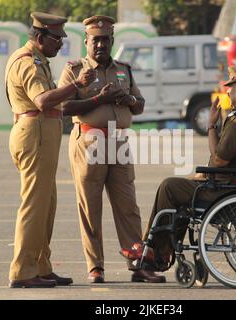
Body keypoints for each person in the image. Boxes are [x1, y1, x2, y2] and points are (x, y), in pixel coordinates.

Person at [121, 66, 236, 272]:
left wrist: (212, 126)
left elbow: (220, 159)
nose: (228, 92)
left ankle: (155, 250)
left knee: (169, 187)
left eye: (232, 87)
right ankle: (163, 249)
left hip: (226, 190)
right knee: (185, 188)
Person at [58, 15, 164, 283]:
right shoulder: (75, 70)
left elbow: (139, 105)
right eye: (96, 41)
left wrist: (128, 98)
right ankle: (96, 266)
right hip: (89, 142)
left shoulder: (124, 70)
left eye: (105, 40)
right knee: (90, 207)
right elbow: (63, 107)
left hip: (119, 142)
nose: (101, 45)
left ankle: (137, 263)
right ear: (86, 42)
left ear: (112, 41)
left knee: (127, 205)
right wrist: (98, 98)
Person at [5, 12, 96, 288]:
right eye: (57, 39)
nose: (61, 44)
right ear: (41, 37)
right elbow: (43, 100)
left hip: (40, 135)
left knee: (47, 204)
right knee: (34, 205)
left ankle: (40, 265)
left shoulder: (36, 59)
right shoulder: (29, 63)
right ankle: (22, 271)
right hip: (35, 135)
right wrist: (76, 85)